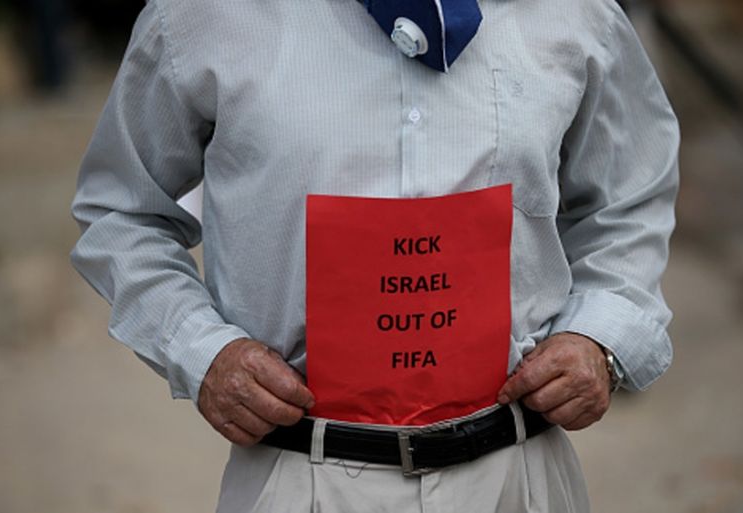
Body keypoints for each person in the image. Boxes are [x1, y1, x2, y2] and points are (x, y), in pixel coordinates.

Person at [70, 0, 679, 511]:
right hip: (303, 474)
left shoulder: (572, 12)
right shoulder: (203, 16)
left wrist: (599, 336)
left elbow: (631, 194)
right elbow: (122, 210)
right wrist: (202, 352)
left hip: (517, 475)